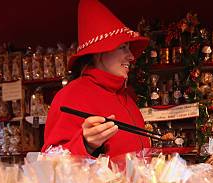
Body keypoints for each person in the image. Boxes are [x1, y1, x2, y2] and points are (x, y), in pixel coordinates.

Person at [43, 0, 151, 157]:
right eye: (122, 47)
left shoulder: (126, 96)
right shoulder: (71, 96)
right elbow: (51, 160)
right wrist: (86, 144)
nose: (131, 56)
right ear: (100, 52)